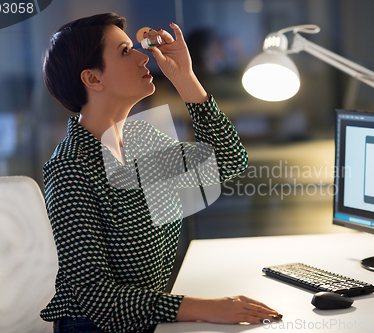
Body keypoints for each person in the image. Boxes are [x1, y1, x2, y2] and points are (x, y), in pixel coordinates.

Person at [40, 13, 282, 333]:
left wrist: (184, 77)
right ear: (93, 79)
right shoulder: (71, 169)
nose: (144, 57)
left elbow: (227, 160)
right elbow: (98, 299)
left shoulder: (142, 143)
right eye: (126, 51)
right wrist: (204, 307)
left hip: (150, 318)